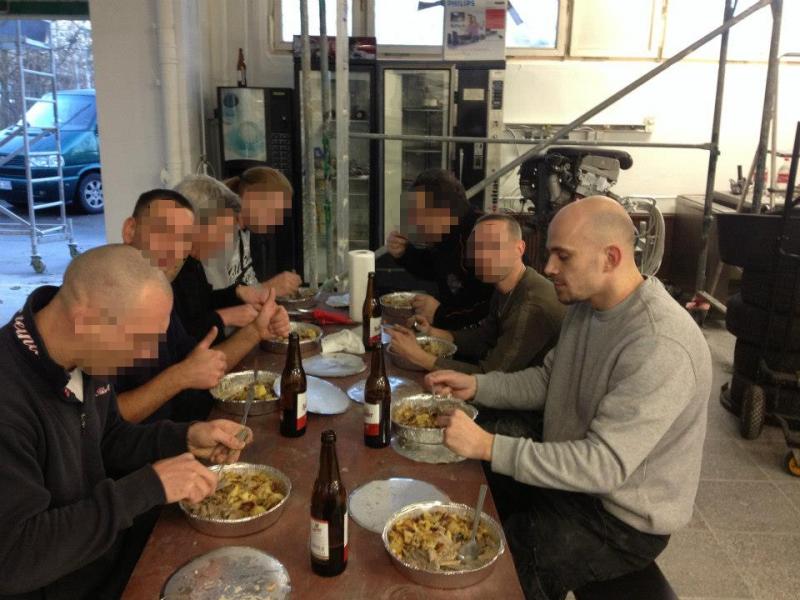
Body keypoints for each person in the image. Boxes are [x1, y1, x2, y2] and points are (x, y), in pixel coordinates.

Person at [426, 196, 712, 600]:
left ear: (610, 257)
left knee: (506, 565)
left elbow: (602, 465)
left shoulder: (658, 343)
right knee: (473, 485)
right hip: (576, 482)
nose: (548, 268)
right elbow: (548, 380)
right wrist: (477, 387)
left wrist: (488, 445)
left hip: (618, 519)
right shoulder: (587, 306)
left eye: (563, 256)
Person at [0, 244, 252, 600]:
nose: (148, 356)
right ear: (85, 320)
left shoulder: (86, 358)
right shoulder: (10, 399)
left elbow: (108, 439)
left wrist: (186, 437)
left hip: (109, 560)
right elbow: (13, 558)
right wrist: (148, 487)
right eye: (140, 340)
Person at [117, 189, 290, 424]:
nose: (175, 249)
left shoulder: (159, 297)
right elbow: (101, 422)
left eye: (184, 239)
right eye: (164, 231)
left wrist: (257, 330)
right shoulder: (103, 299)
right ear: (130, 230)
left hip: (182, 433)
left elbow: (200, 363)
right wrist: (179, 377)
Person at [387, 213, 564, 374]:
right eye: (477, 247)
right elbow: (484, 337)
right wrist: (432, 333)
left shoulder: (531, 305)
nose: (483, 255)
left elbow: (493, 377)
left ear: (520, 248)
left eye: (494, 246)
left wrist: (419, 357)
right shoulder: (506, 285)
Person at [173, 175, 275, 345]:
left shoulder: (191, 260)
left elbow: (201, 305)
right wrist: (225, 317)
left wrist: (238, 293)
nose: (222, 243)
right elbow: (179, 339)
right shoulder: (164, 269)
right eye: (221, 231)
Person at [386, 168, 494, 330]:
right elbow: (436, 268)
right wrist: (405, 253)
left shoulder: (485, 238)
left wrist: (439, 313)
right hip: (450, 326)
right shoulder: (448, 233)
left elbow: (492, 310)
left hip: (479, 342)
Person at [203, 166, 301, 296]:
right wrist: (270, 287)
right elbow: (217, 301)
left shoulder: (244, 233)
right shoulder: (220, 232)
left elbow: (249, 283)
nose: (277, 219)